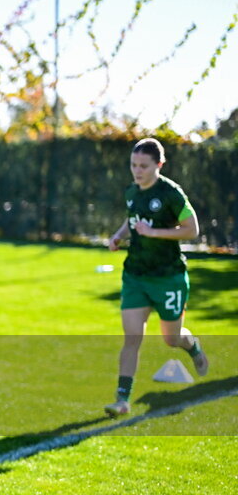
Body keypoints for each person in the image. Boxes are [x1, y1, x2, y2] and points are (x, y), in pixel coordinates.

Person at [104, 138, 209, 417]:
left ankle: (192, 345)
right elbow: (131, 220)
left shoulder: (171, 194)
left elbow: (192, 229)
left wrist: (155, 233)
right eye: (133, 165)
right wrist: (118, 236)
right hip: (136, 275)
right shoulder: (131, 191)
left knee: (171, 339)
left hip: (168, 277)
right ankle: (122, 400)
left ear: (159, 165)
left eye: (143, 166)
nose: (137, 171)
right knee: (132, 337)